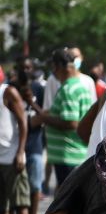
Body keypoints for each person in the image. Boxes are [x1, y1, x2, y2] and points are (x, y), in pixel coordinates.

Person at [38, 48, 95, 187]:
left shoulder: (69, 89)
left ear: (59, 67)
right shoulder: (80, 86)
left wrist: (44, 118)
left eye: (54, 67)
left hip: (68, 155)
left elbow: (71, 122)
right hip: (74, 154)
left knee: (67, 204)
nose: (53, 72)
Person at [0, 77, 29, 214]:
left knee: (20, 204)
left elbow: (23, 123)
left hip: (12, 159)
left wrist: (20, 152)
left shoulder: (8, 92)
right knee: (2, 207)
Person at [13, 60, 45, 214]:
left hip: (34, 145)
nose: (26, 71)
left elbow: (44, 114)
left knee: (34, 185)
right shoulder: (10, 89)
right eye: (22, 68)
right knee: (13, 189)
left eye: (28, 68)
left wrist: (30, 103)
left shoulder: (39, 88)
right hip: (14, 145)